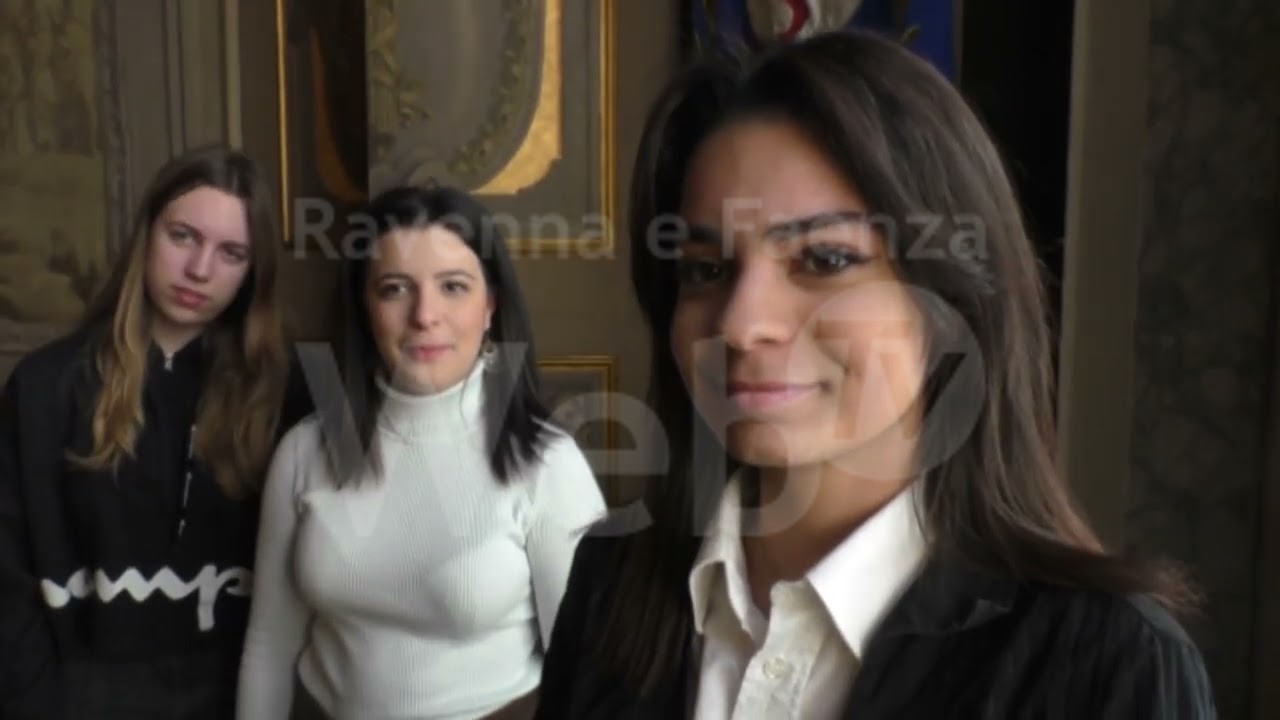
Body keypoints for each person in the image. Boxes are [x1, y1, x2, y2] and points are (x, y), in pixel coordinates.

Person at [533, 30, 1216, 719]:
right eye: (706, 270)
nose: (741, 323)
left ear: (951, 303)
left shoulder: (1109, 665)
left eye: (824, 260)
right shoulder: (610, 584)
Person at [236, 184, 608, 720]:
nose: (424, 315)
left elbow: (587, 674)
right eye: (394, 289)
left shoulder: (549, 463)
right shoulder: (303, 451)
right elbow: (269, 647)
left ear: (490, 306)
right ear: (365, 306)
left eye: (453, 286)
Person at [0, 144, 314, 719]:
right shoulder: (43, 385)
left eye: (232, 253)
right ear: (147, 234)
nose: (200, 270)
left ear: (253, 272)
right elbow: (7, 580)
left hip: (243, 701)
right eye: (183, 236)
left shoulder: (295, 392)